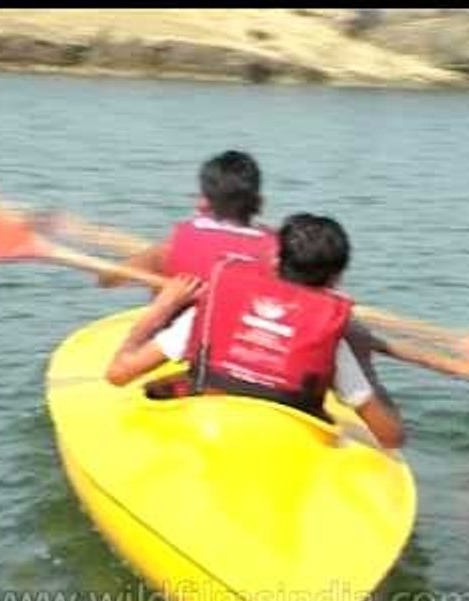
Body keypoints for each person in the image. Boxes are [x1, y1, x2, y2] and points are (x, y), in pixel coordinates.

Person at [105, 213, 405, 450]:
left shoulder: (213, 307)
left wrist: (162, 308)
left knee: (169, 385)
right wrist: (364, 360)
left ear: (276, 262)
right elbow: (390, 437)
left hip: (208, 440)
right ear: (336, 279)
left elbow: (118, 374)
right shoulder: (329, 336)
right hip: (284, 451)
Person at [96, 149, 275, 287]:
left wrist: (156, 265)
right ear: (258, 201)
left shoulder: (172, 246)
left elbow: (107, 280)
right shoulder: (277, 250)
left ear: (204, 202)